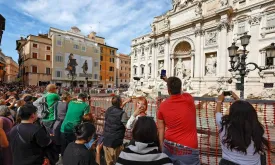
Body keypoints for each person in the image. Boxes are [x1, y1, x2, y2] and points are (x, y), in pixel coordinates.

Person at [216, 92, 269, 165]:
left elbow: (217, 113)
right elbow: (245, 112)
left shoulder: (223, 125)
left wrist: (219, 101)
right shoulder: (258, 130)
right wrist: (238, 99)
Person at [157, 76, 199, 165]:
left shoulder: (163, 105)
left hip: (168, 146)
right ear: (180, 88)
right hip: (188, 148)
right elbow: (182, 92)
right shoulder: (188, 99)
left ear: (168, 91)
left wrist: (161, 146)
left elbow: (160, 129)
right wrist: (168, 80)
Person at [103, 96, 131, 165]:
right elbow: (128, 126)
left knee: (109, 163)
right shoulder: (122, 113)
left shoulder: (108, 110)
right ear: (120, 102)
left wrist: (126, 102)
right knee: (118, 162)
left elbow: (117, 109)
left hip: (106, 141)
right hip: (116, 143)